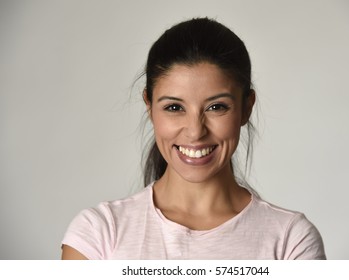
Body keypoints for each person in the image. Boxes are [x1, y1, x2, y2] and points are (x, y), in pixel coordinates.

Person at [61, 17, 326, 260]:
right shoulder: (97, 234)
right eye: (174, 107)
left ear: (247, 107)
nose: (195, 131)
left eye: (216, 107)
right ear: (149, 106)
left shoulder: (292, 240)